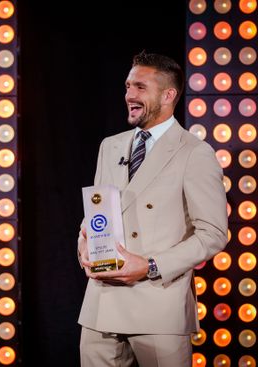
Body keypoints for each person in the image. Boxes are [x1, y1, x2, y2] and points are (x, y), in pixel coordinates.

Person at [77, 51, 228, 367]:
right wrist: (84, 241)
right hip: (101, 306)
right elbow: (98, 213)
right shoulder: (110, 146)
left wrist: (150, 265)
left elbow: (213, 234)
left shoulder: (195, 153)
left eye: (141, 87)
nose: (129, 95)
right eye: (128, 86)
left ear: (168, 94)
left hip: (159, 308)